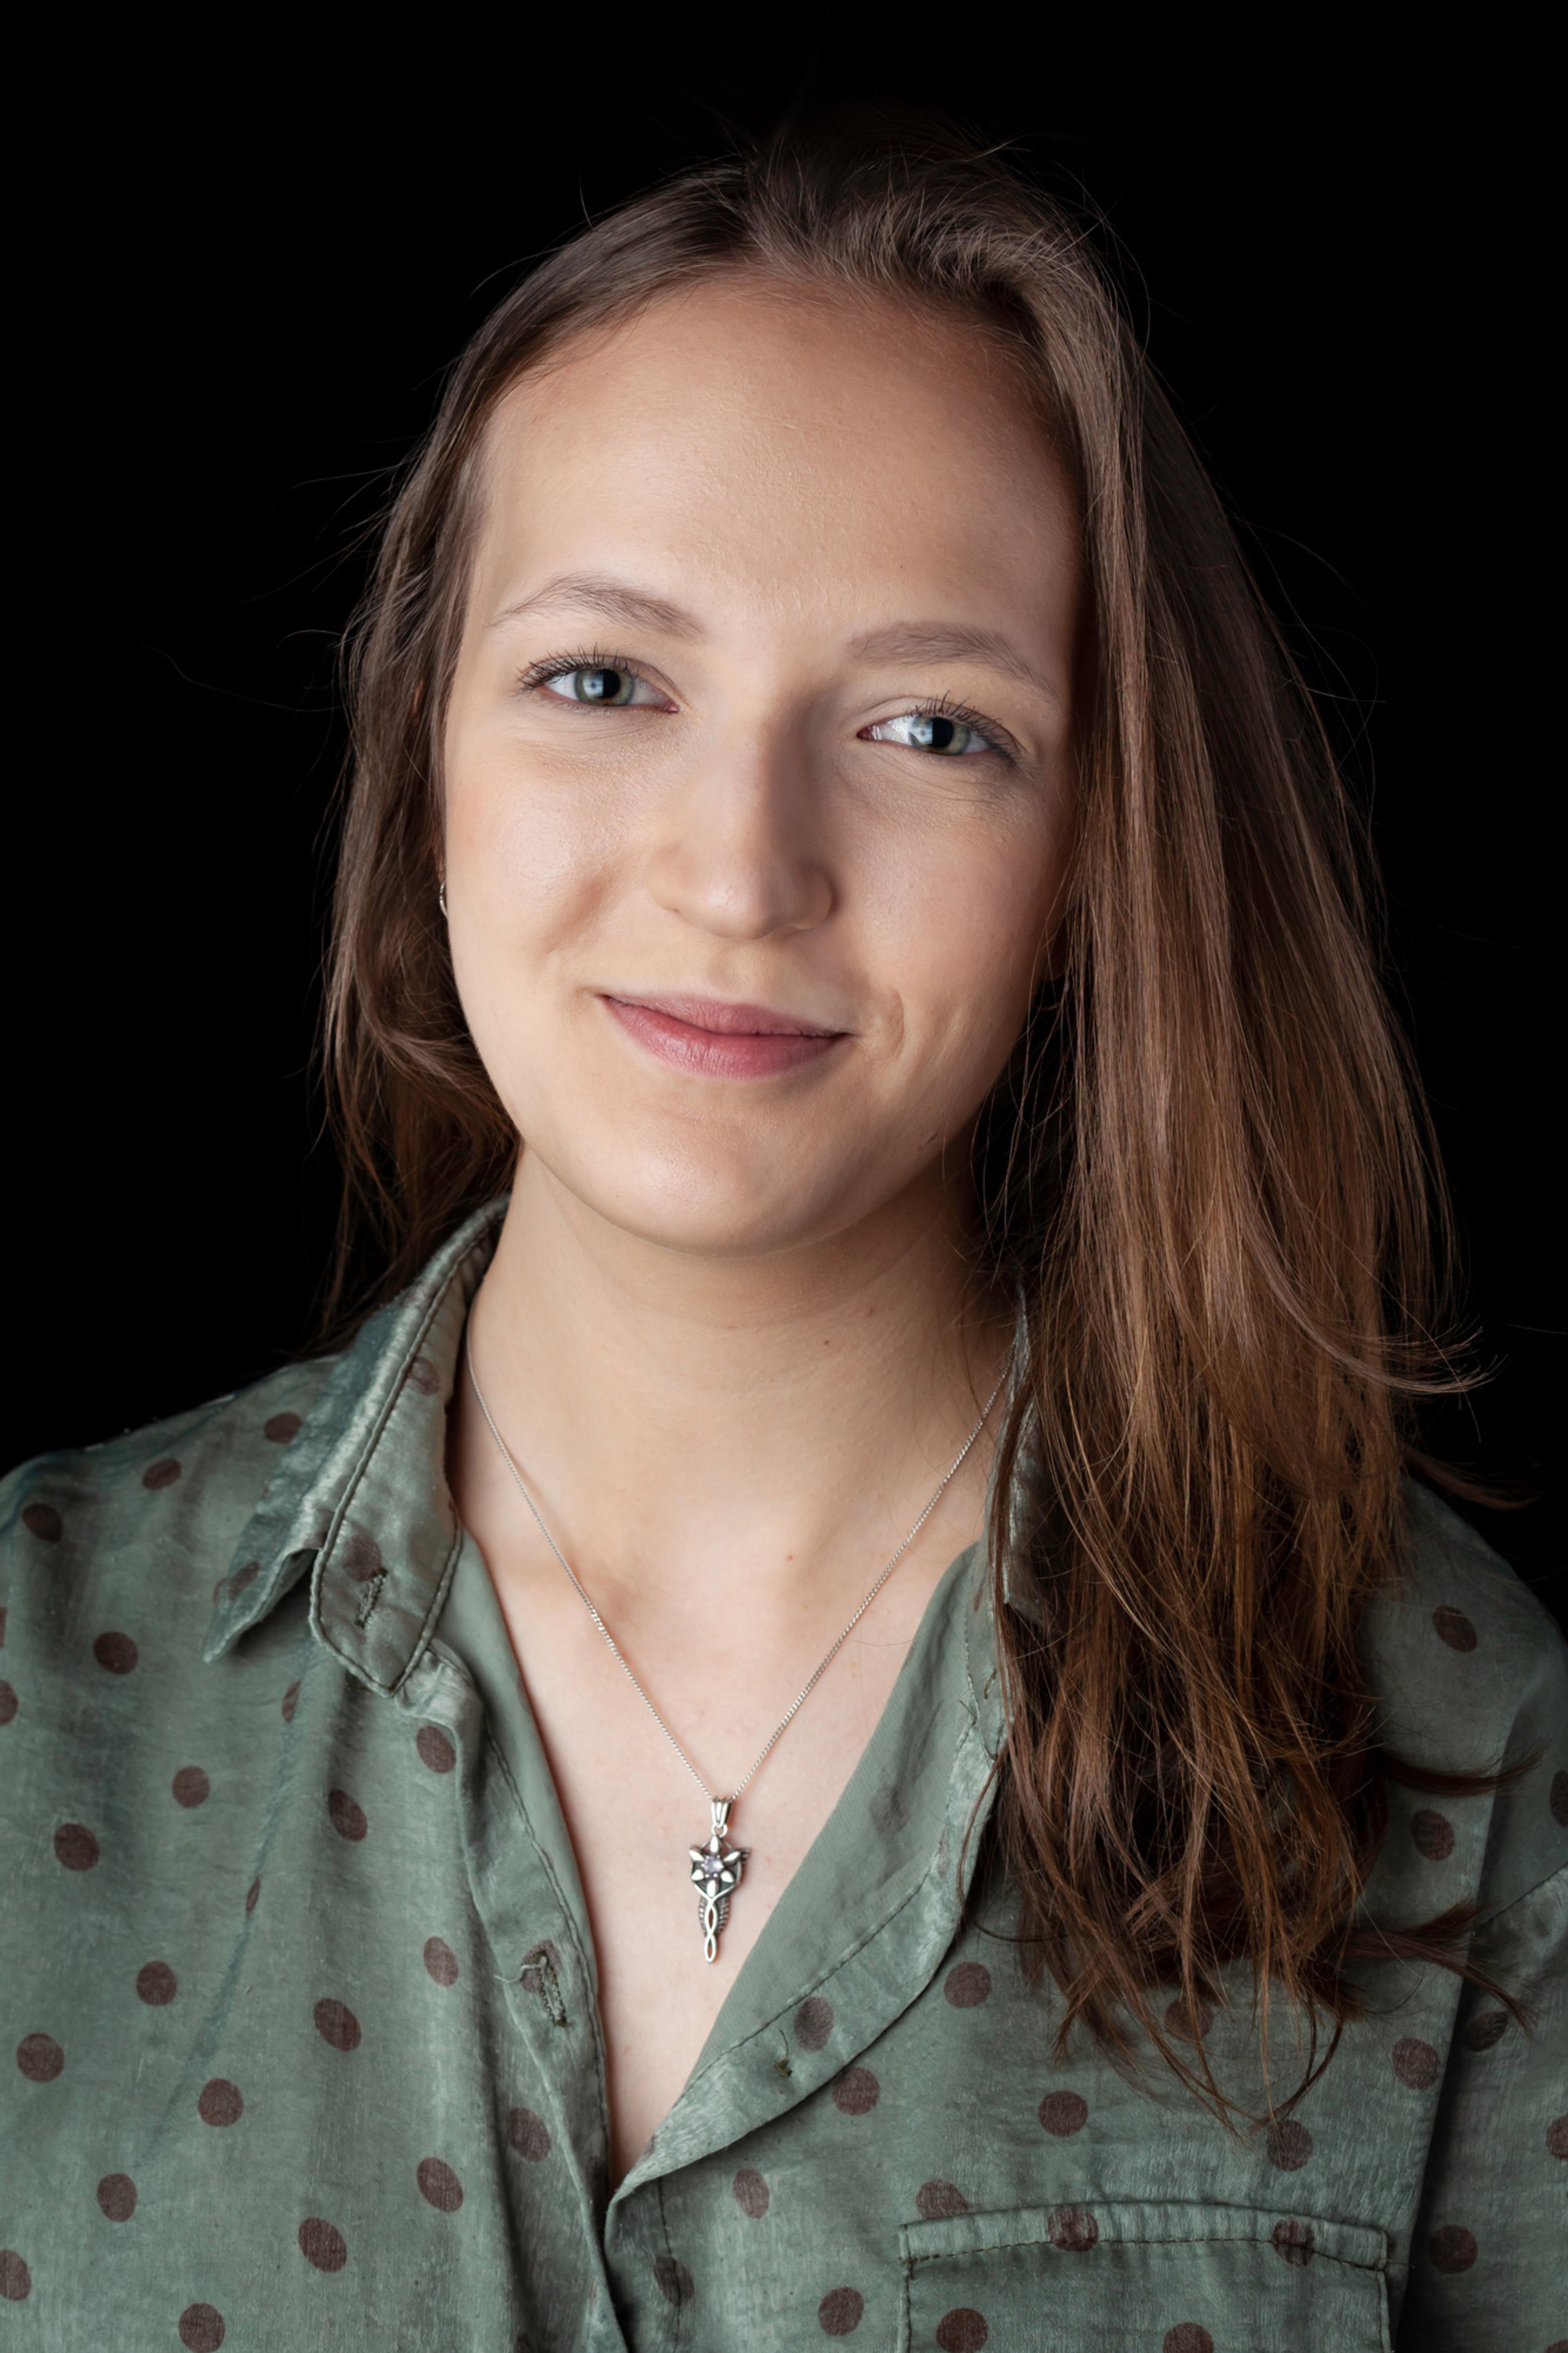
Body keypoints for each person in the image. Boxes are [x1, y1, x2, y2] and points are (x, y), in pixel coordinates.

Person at [1, 119, 1562, 2353]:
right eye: (605, 680)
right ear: (423, 740)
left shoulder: (1467, 1746)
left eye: (933, 726)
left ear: (1092, 862)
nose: (744, 867)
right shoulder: (31, 1672)